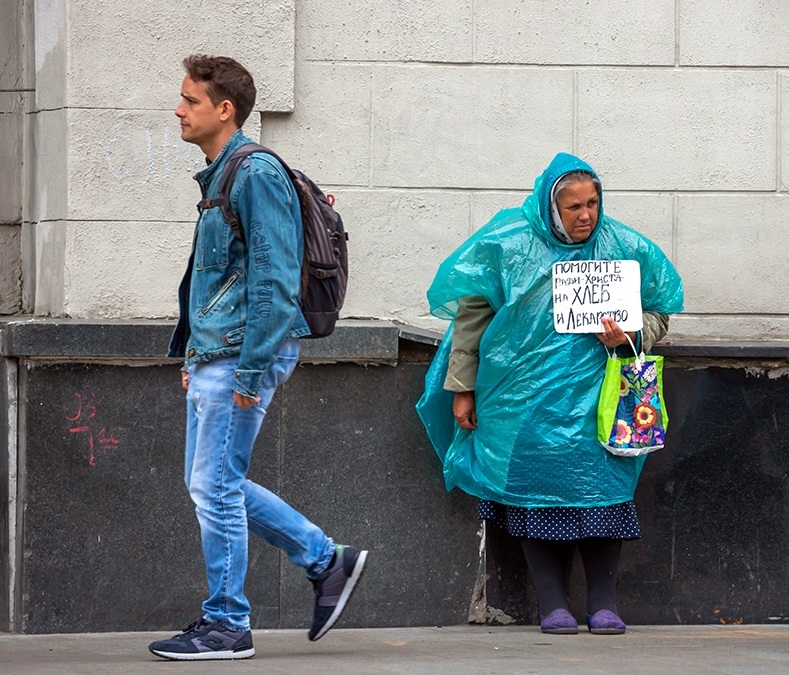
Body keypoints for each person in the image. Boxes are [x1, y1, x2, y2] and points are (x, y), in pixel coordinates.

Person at [151, 54, 367, 661]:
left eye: (190, 100)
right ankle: (328, 562)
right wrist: (194, 355)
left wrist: (247, 369)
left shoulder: (254, 173)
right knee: (213, 483)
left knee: (213, 487)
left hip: (243, 356)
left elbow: (274, 281)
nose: (179, 110)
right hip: (219, 354)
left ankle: (227, 623)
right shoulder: (222, 176)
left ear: (225, 109)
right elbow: (223, 280)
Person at [416, 153, 684, 635]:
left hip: (603, 400)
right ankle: (552, 605)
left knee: (605, 492)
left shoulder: (626, 246)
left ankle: (603, 604)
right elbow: (471, 320)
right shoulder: (508, 244)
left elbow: (661, 311)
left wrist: (632, 331)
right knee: (532, 495)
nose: (587, 215)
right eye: (574, 207)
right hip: (522, 400)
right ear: (549, 208)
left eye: (593, 203)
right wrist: (462, 389)